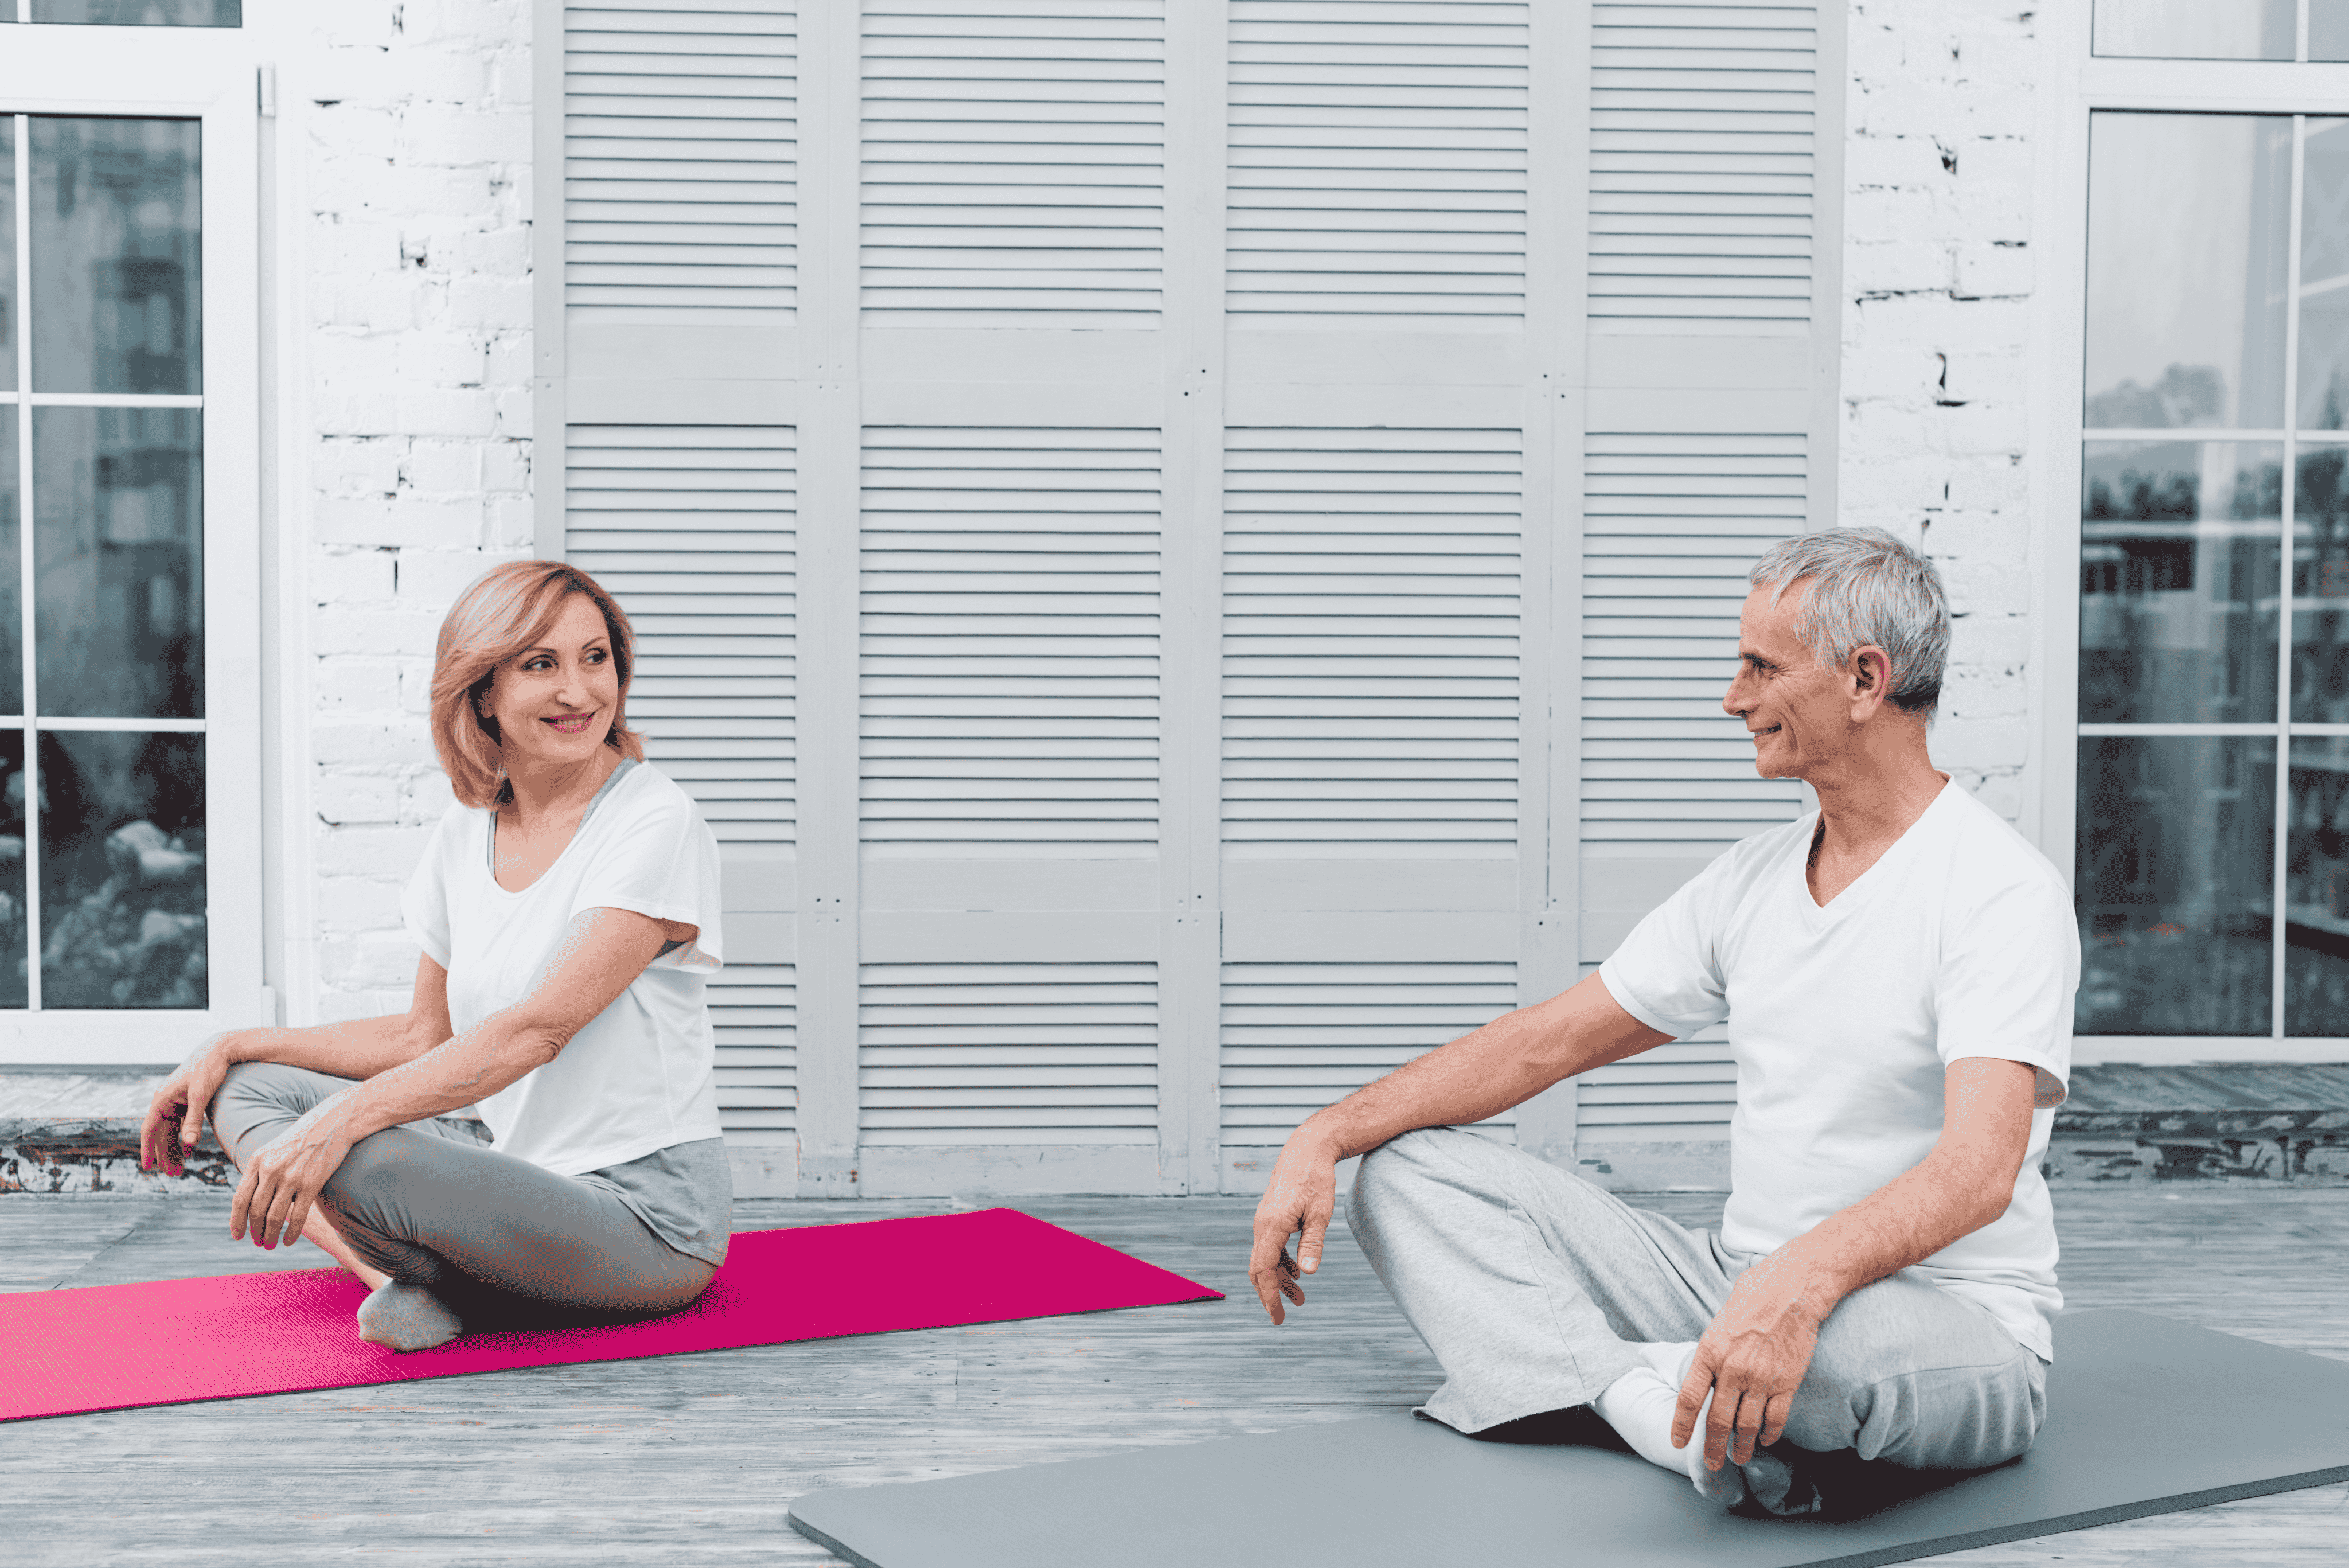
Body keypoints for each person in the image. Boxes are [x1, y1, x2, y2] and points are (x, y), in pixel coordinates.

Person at [1246, 526, 2077, 1514]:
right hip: (1732, 1281)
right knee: (1407, 1175)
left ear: (1864, 678)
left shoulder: (1997, 890)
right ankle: (1654, 1406)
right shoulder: (1751, 879)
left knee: (1828, 1367)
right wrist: (1328, 1132)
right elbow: (1547, 1041)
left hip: (1945, 1326)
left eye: (1762, 667)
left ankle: (1602, 1374)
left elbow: (1977, 1172)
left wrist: (1800, 1285)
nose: (1734, 697)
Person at [139, 560, 732, 1352]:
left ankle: (447, 1283)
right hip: (514, 1175)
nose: (581, 690)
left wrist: (337, 1123)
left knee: (357, 1142)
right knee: (249, 1092)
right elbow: (425, 1037)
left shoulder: (656, 818)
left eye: (596, 658)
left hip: (644, 1216)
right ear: (481, 691)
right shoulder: (464, 835)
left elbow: (535, 1031)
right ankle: (415, 1282)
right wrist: (231, 1044)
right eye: (541, 664)